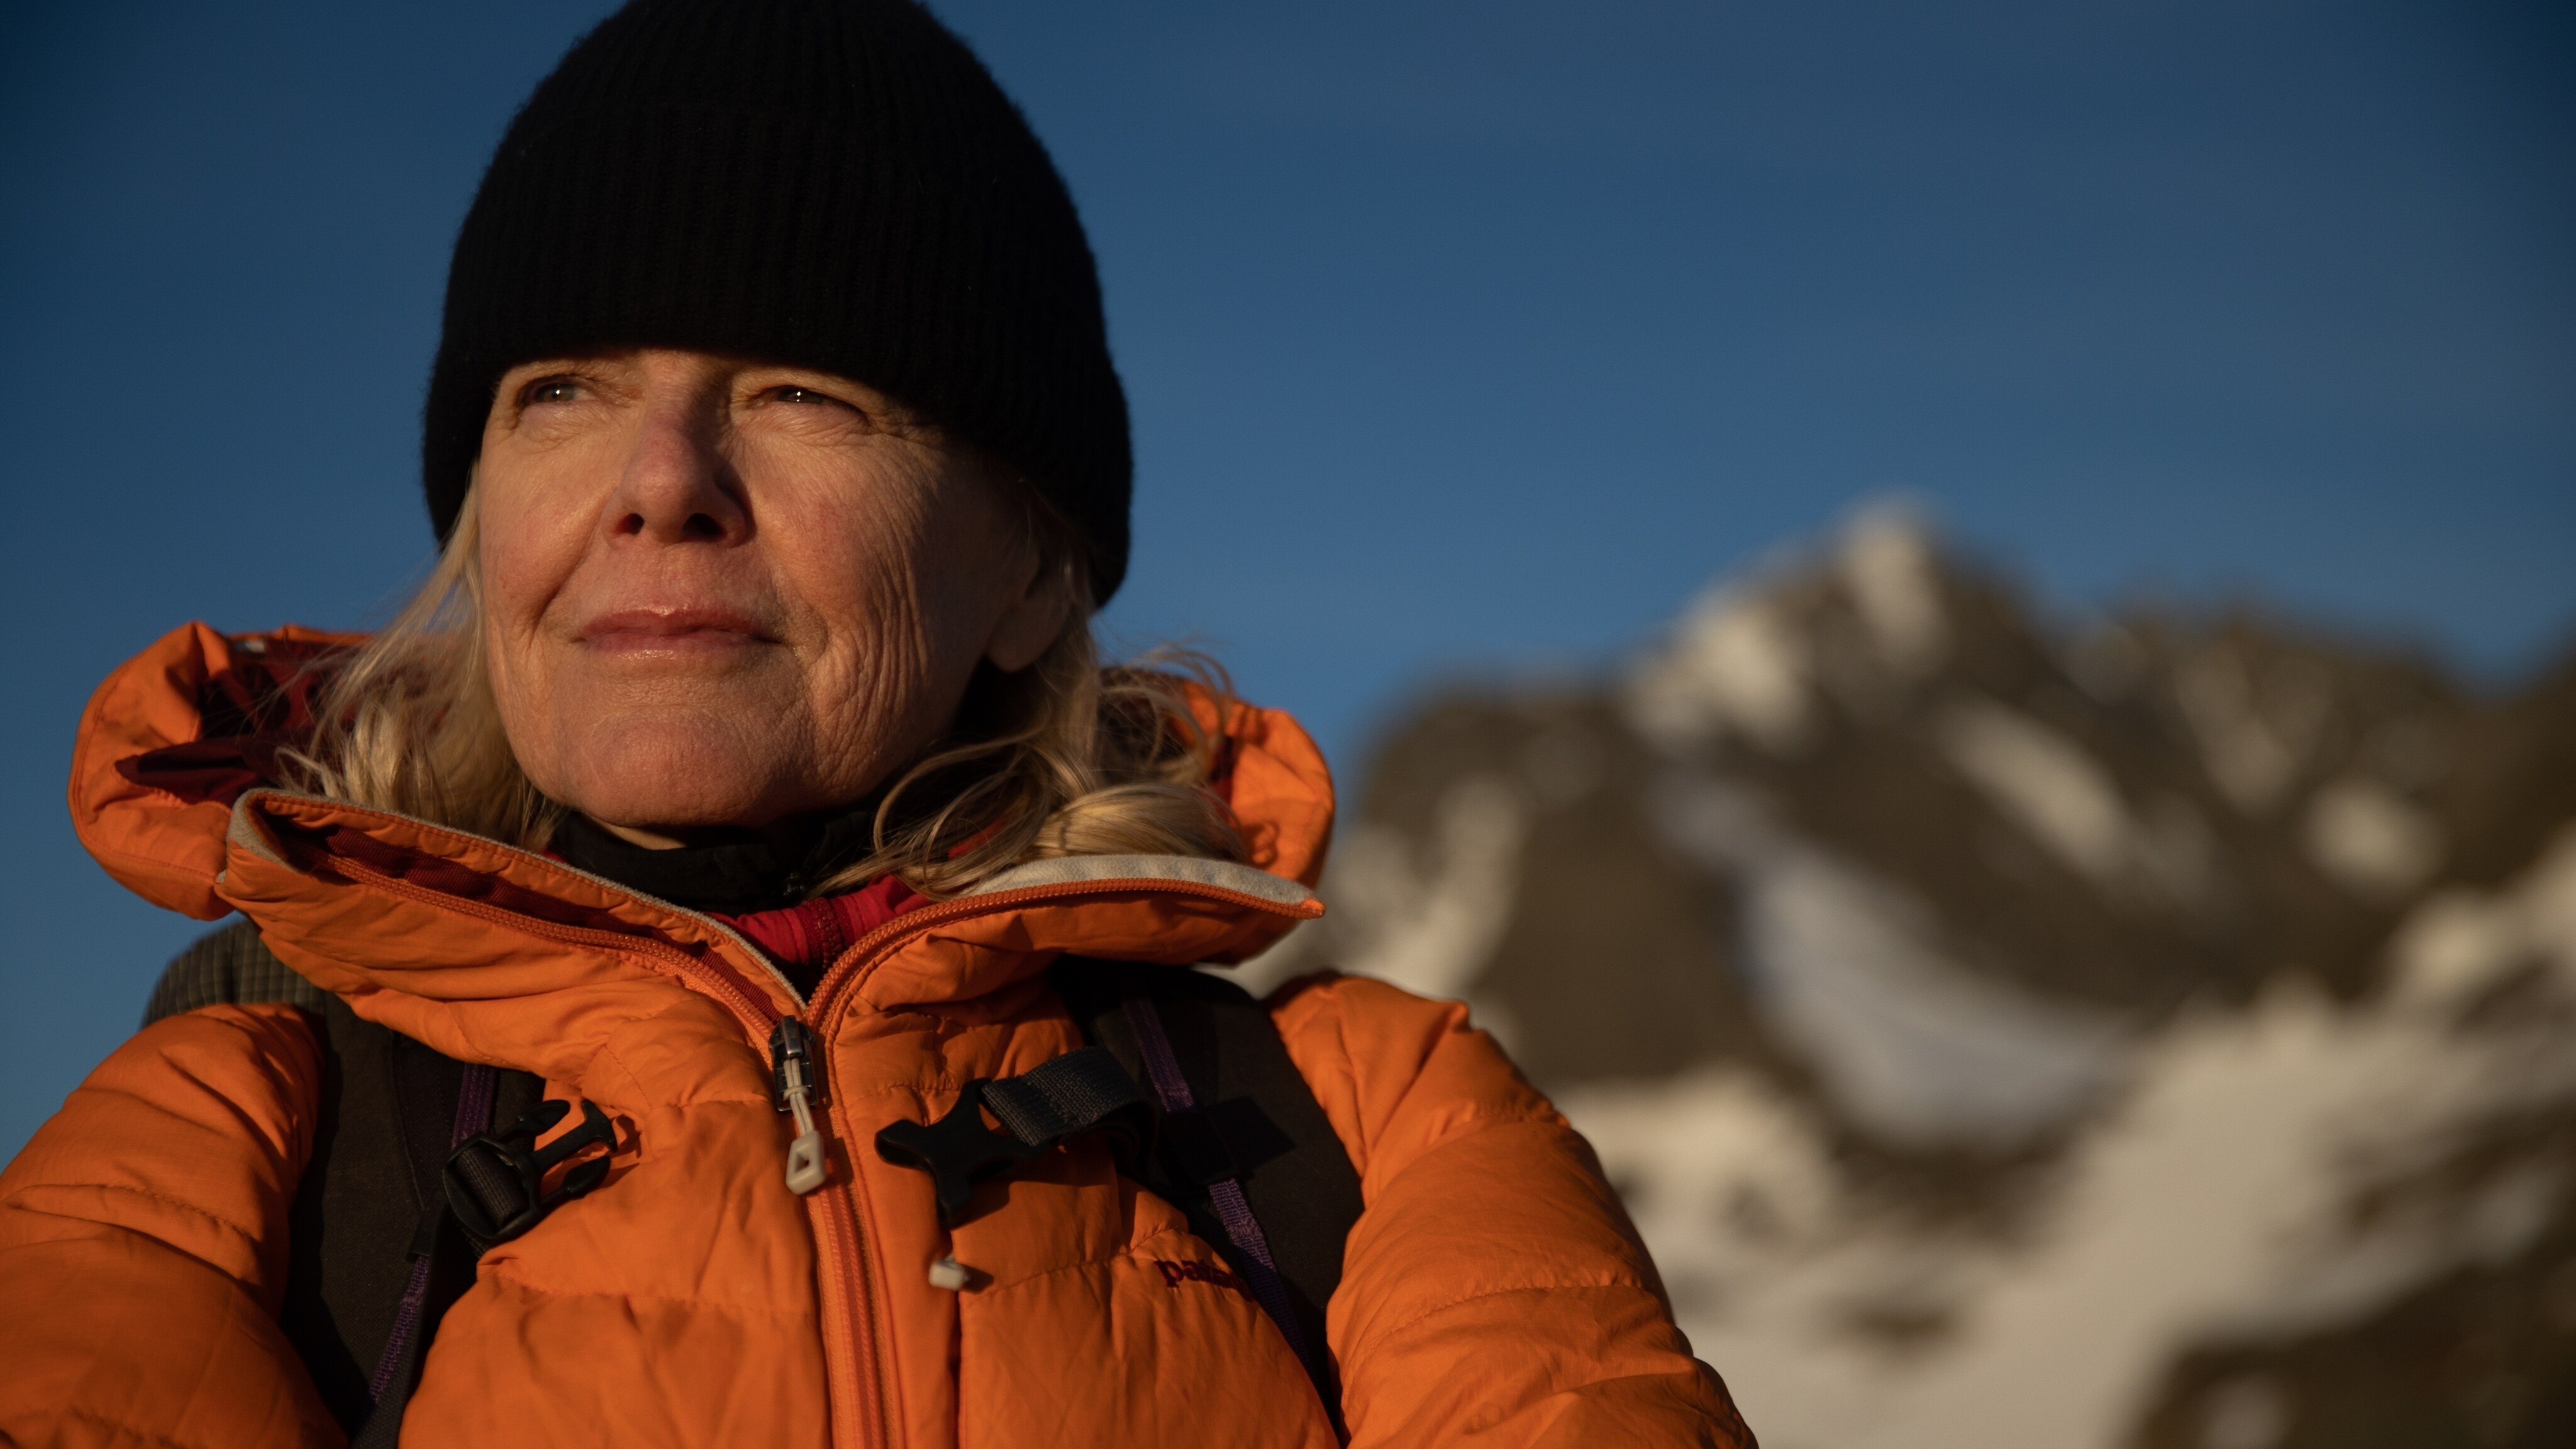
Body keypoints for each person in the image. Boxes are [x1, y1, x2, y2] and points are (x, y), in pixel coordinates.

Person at [0, 2, 1752, 1445]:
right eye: (563, 394)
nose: (662, 484)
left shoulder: (1367, 1128)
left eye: (801, 391)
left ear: (1032, 579)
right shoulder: (230, 1139)